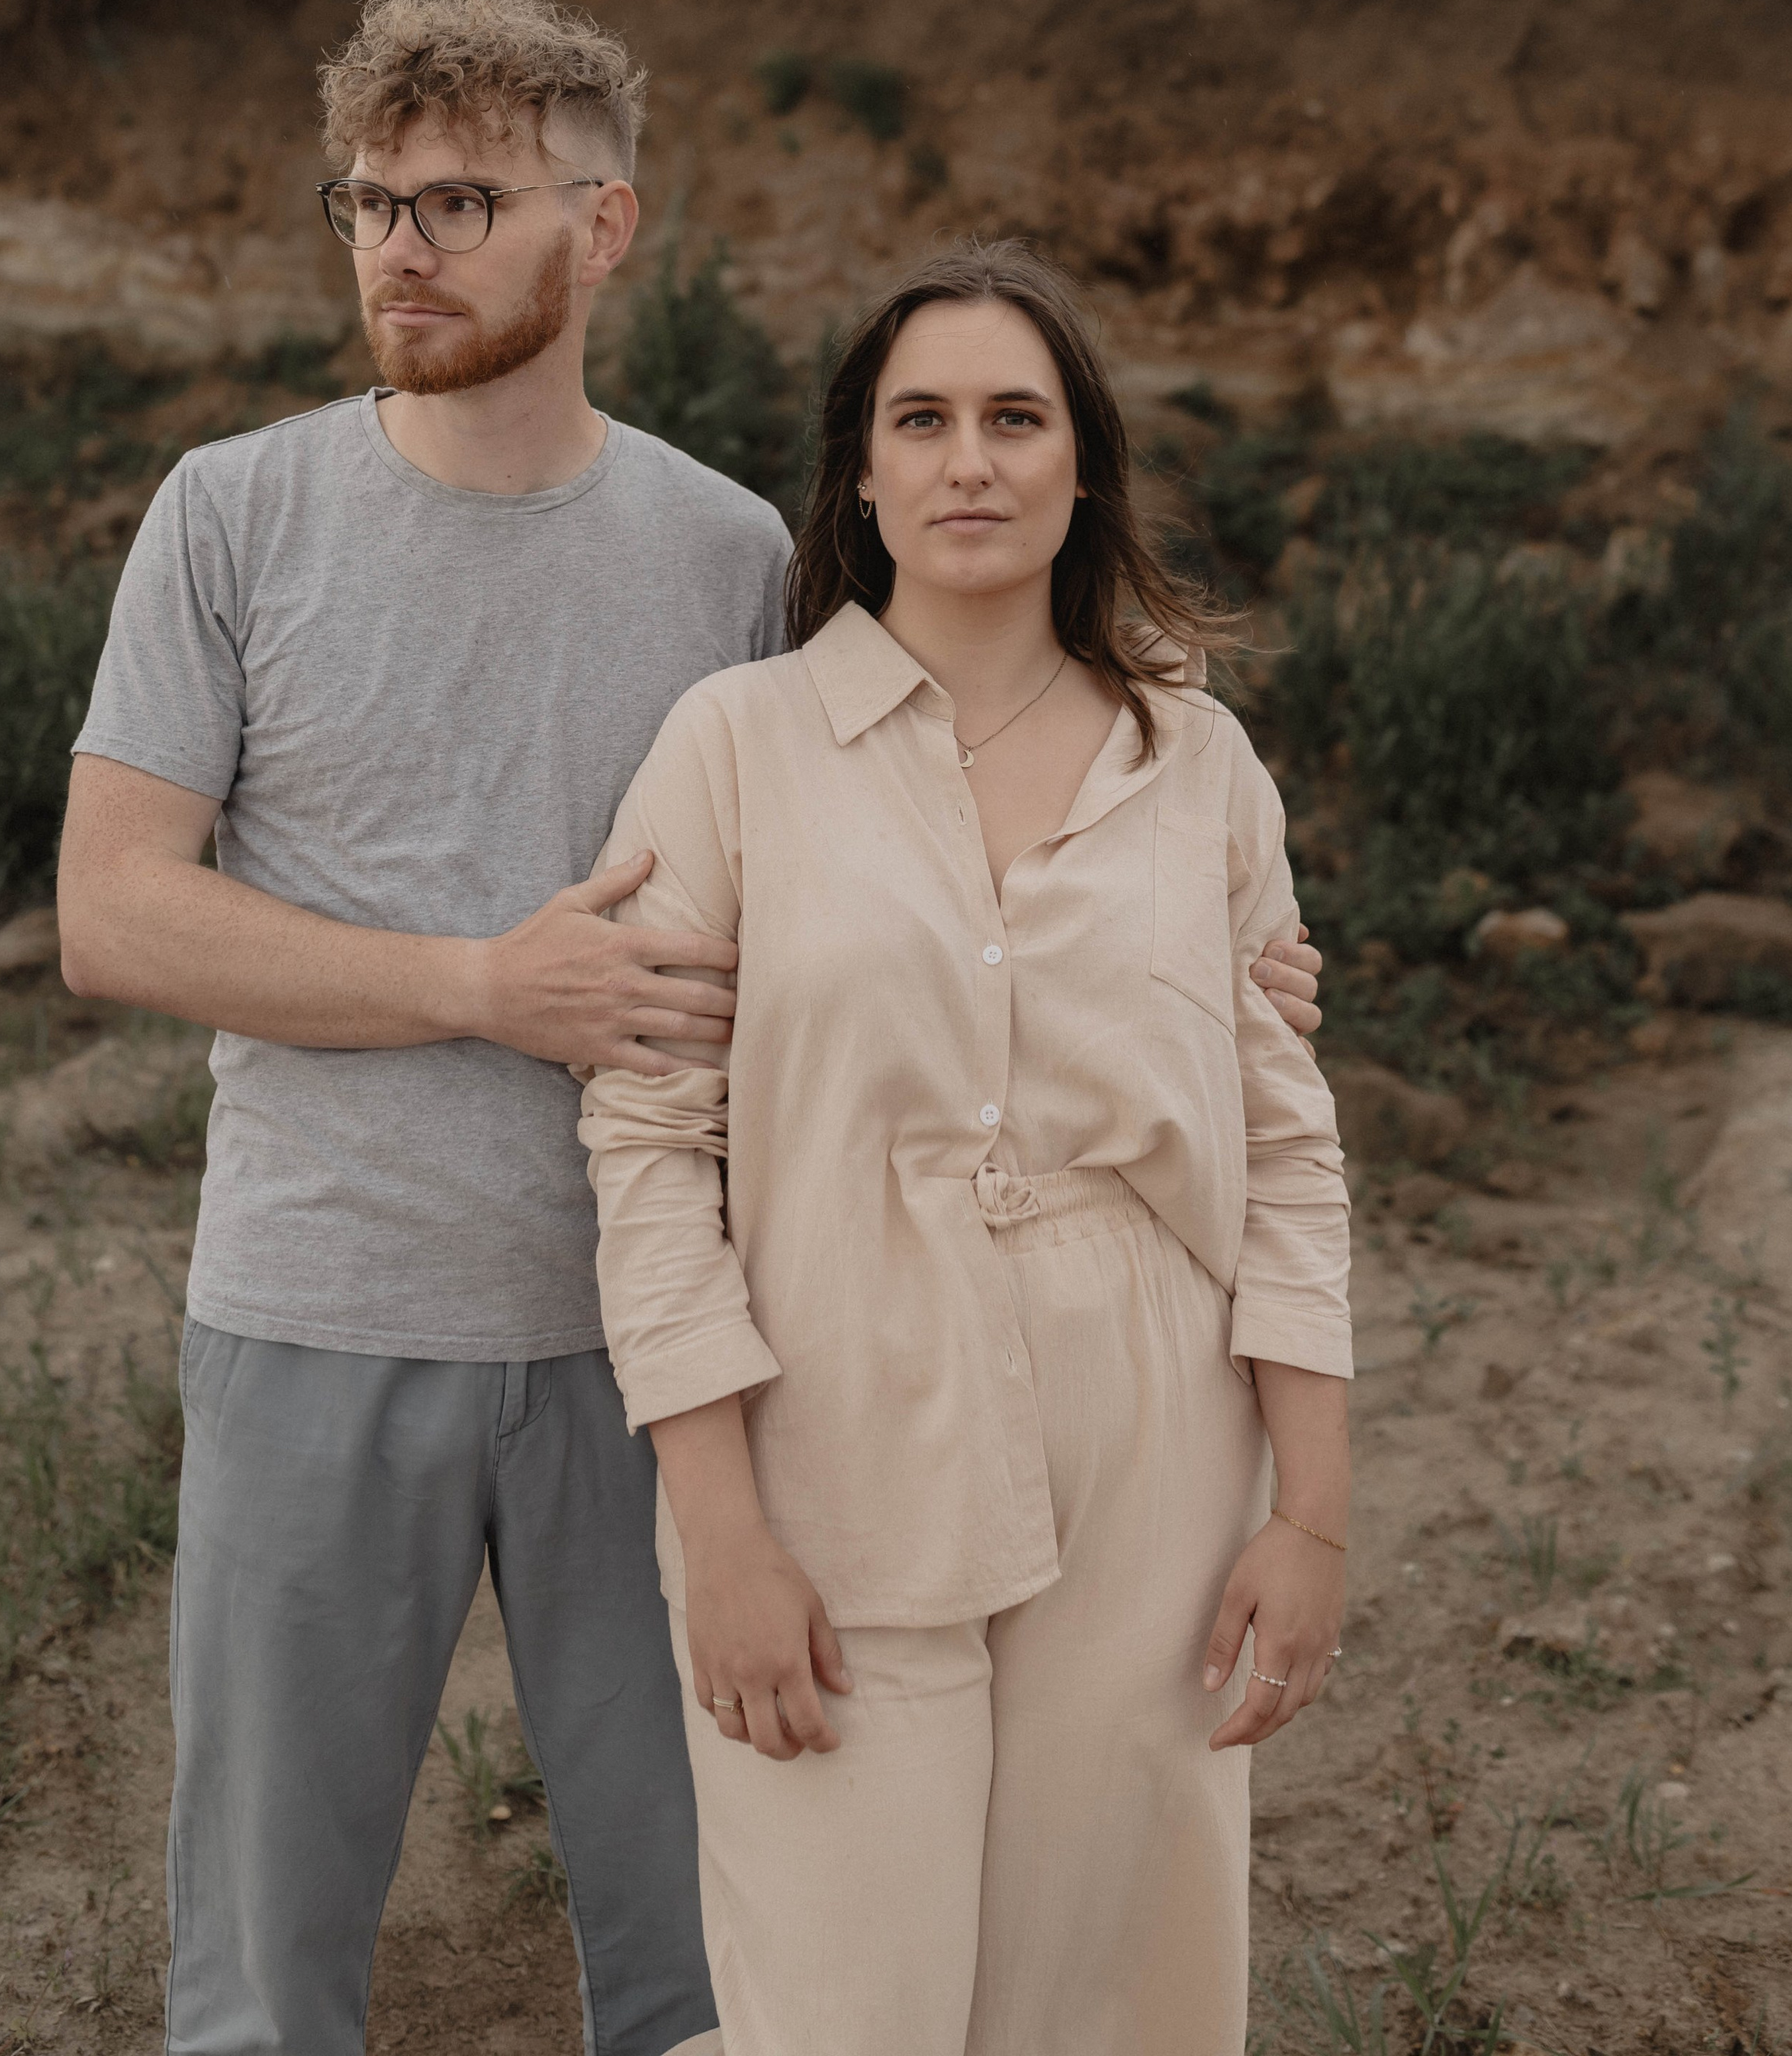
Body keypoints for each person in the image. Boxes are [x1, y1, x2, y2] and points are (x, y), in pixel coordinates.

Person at [56, 0, 1329, 2056]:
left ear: (605, 224)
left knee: (710, 1974)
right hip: (312, 1314)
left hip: (680, 1375)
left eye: (464, 200)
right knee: (264, 1981)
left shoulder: (731, 552)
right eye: (371, 198)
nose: (402, 242)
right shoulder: (235, 512)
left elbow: (931, 829)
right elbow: (112, 918)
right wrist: (484, 985)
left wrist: (1211, 957)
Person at [579, 242, 1352, 2056]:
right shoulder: (735, 744)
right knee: (840, 2007)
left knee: (1110, 1993)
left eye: (1018, 417)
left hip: (1156, 1433)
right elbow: (641, 1149)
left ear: (1082, 465)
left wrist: (1308, 1512)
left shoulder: (1199, 766)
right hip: (828, 1419)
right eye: (921, 419)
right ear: (859, 468)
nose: (969, 460)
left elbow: (1287, 1156)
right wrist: (723, 1533)